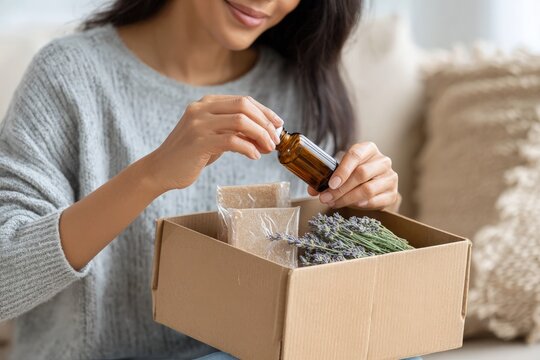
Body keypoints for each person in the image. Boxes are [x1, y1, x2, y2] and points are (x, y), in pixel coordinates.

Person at [0, 0, 410, 359]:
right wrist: (152, 174)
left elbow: (324, 283)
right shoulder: (69, 75)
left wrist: (372, 207)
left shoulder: (299, 84)